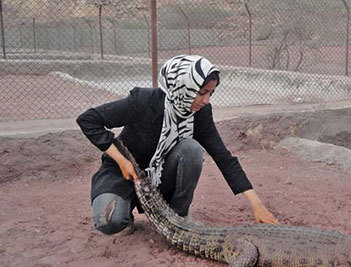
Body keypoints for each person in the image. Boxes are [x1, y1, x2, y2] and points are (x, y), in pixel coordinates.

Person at [77, 55, 279, 235]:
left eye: (211, 93)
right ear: (184, 86)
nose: (206, 100)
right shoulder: (143, 101)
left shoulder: (199, 114)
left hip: (162, 175)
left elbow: (224, 158)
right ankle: (126, 210)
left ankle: (178, 217)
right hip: (123, 173)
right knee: (109, 222)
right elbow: (88, 120)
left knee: (191, 150)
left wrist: (257, 205)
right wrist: (121, 161)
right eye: (201, 92)